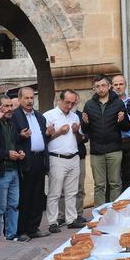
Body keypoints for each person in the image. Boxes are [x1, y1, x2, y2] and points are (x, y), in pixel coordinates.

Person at [82, 75, 127, 207]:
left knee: (115, 183)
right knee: (99, 185)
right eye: (97, 86)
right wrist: (84, 123)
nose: (100, 89)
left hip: (114, 149)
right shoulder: (89, 105)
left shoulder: (118, 103)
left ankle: (114, 211)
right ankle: (99, 213)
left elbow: (126, 127)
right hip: (96, 151)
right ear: (94, 88)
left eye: (103, 85)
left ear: (109, 86)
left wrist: (122, 120)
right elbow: (85, 130)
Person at [11, 86, 49, 239]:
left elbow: (43, 137)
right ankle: (22, 230)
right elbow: (11, 138)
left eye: (32, 98)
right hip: (25, 159)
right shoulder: (15, 116)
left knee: (38, 196)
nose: (29, 101)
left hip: (40, 159)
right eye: (26, 98)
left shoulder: (40, 117)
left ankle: (34, 228)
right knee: (25, 196)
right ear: (20, 99)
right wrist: (21, 136)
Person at [44, 90, 85, 232]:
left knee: (72, 192)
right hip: (57, 157)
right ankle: (52, 222)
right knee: (55, 192)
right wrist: (59, 132)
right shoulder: (49, 116)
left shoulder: (75, 116)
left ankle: (71, 219)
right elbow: (45, 139)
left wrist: (76, 131)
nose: (69, 106)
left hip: (73, 156)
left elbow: (80, 140)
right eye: (67, 102)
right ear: (59, 100)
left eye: (72, 103)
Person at [0, 93, 24, 241]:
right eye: (6, 106)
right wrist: (7, 154)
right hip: (0, 171)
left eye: (11, 106)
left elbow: (15, 143)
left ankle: (11, 234)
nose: (10, 109)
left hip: (14, 169)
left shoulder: (11, 124)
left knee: (13, 205)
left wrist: (19, 152)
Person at [112, 74, 130, 190]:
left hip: (129, 142)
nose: (118, 87)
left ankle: (127, 200)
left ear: (125, 85)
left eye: (121, 84)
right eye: (115, 84)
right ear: (112, 87)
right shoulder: (109, 104)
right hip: (114, 143)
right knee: (114, 177)